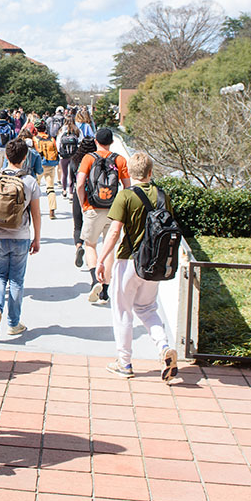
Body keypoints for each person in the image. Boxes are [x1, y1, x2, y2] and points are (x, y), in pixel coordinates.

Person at [96, 151, 178, 381]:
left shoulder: (126, 196)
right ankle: (163, 347)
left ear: (130, 173)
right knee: (148, 309)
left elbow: (114, 231)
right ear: (151, 172)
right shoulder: (163, 195)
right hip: (154, 263)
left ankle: (124, 363)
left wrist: (102, 259)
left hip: (129, 260)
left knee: (123, 312)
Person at [0, 138, 42, 337]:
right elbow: (36, 214)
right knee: (16, 280)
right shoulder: (30, 181)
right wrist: (37, 239)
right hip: (21, 236)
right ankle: (13, 323)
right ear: (25, 158)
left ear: (6, 156)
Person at [76, 127, 130, 305]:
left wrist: (83, 203)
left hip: (92, 206)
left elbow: (80, 184)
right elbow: (127, 188)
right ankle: (105, 292)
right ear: (112, 142)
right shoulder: (120, 159)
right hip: (114, 210)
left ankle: (94, 280)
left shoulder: (88, 158)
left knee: (90, 244)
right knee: (109, 248)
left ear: (96, 142)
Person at [69, 137, 97, 269]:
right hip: (93, 195)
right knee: (91, 224)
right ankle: (91, 253)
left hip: (78, 193)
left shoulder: (75, 159)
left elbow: (72, 179)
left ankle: (78, 246)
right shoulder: (96, 159)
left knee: (78, 224)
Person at [34, 120, 59, 219]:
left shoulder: (35, 139)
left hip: (39, 166)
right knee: (50, 188)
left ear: (36, 129)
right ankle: (52, 210)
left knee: (35, 188)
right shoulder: (51, 139)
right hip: (50, 165)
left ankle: (35, 209)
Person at [56, 117, 80, 200]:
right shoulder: (76, 130)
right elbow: (80, 141)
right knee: (72, 174)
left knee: (64, 173)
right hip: (74, 155)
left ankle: (64, 190)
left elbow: (58, 142)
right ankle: (71, 192)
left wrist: (60, 152)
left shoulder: (61, 130)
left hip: (63, 155)